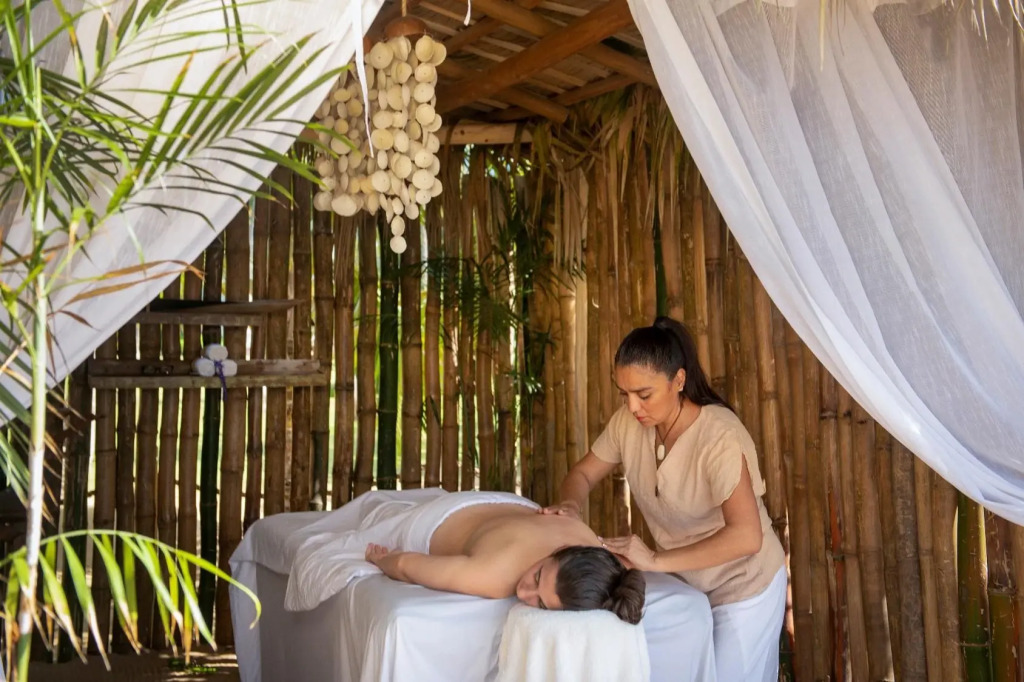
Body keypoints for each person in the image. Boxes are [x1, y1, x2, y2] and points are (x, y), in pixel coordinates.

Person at [543, 316, 787, 681]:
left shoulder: (720, 436)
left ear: (679, 381)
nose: (632, 407)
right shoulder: (628, 423)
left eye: (644, 395)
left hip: (744, 584)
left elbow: (747, 536)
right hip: (686, 584)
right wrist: (570, 506)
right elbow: (582, 475)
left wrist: (655, 560)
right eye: (624, 394)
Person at [358, 491, 646, 624]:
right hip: (443, 517)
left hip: (515, 504)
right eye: (537, 577)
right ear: (559, 551)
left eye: (540, 603)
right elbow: (404, 565)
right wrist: (381, 559)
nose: (523, 592)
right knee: (376, 518)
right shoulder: (495, 575)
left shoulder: (598, 559)